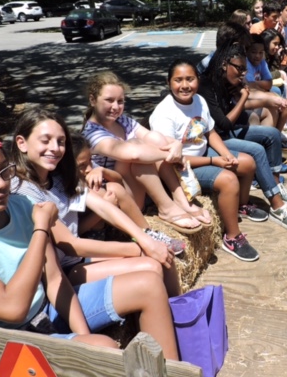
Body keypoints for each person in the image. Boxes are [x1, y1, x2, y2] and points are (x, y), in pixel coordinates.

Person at [0, 129, 179, 377]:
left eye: (4, 171)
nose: (1, 184)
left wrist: (81, 334)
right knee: (106, 351)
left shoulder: (19, 205)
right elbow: (12, 308)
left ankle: (173, 371)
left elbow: (54, 279)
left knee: (148, 284)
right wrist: (41, 229)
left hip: (42, 313)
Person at [10, 107, 181, 297]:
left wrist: (145, 239)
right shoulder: (23, 191)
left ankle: (180, 310)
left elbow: (103, 207)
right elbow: (69, 244)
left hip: (78, 260)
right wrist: (139, 248)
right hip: (60, 275)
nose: (55, 148)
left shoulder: (57, 176)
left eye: (60, 142)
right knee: (152, 265)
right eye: (45, 140)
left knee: (162, 258)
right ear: (21, 143)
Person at [150, 59, 264, 261]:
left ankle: (240, 205)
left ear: (197, 80)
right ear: (169, 83)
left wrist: (224, 154)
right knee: (228, 180)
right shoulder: (164, 113)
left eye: (190, 79)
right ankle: (232, 237)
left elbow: (210, 132)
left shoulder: (199, 101)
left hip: (204, 153)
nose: (185, 85)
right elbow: (170, 160)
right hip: (182, 167)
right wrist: (214, 162)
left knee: (247, 163)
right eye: (178, 80)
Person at [82, 71, 211, 234]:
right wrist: (171, 156)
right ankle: (166, 207)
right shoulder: (91, 133)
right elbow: (132, 154)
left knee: (154, 138)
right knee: (136, 149)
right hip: (121, 200)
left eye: (120, 101)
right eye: (109, 100)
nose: (115, 107)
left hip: (135, 189)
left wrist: (176, 144)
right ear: (93, 100)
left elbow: (155, 138)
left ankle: (181, 199)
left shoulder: (121, 120)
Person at [198, 42, 287, 231]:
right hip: (217, 139)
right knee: (256, 151)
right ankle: (278, 206)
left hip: (228, 132)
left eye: (244, 70)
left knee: (272, 134)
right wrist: (242, 97)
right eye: (239, 69)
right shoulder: (208, 87)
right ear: (225, 64)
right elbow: (224, 123)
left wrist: (265, 99)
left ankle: (275, 184)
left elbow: (237, 108)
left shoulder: (228, 82)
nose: (243, 74)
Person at [71, 133, 186, 256]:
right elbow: (76, 230)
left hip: (108, 219)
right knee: (99, 192)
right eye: (82, 166)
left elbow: (119, 181)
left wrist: (102, 171)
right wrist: (104, 208)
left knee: (114, 187)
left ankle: (147, 233)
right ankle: (143, 239)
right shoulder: (67, 188)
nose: (89, 168)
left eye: (90, 161)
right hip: (88, 238)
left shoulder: (90, 168)